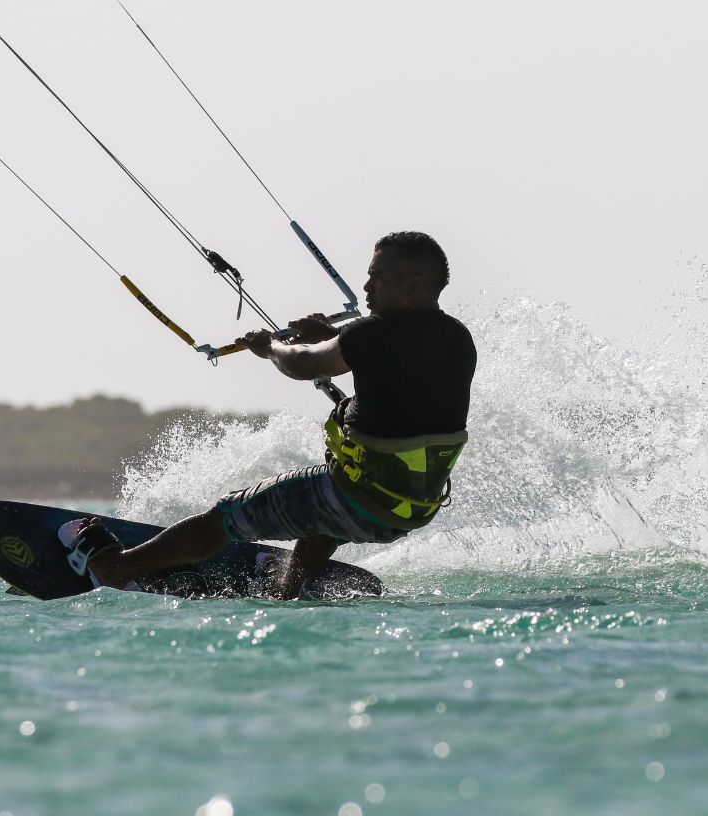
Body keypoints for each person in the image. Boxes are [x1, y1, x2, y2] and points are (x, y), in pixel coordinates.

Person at [66, 231, 476, 598]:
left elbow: (303, 365)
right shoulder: (457, 339)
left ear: (414, 285)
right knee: (321, 516)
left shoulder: (373, 333)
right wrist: (333, 339)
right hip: (407, 513)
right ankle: (288, 586)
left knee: (225, 518)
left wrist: (270, 348)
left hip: (353, 498)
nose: (366, 286)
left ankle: (116, 568)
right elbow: (396, 388)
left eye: (377, 277)